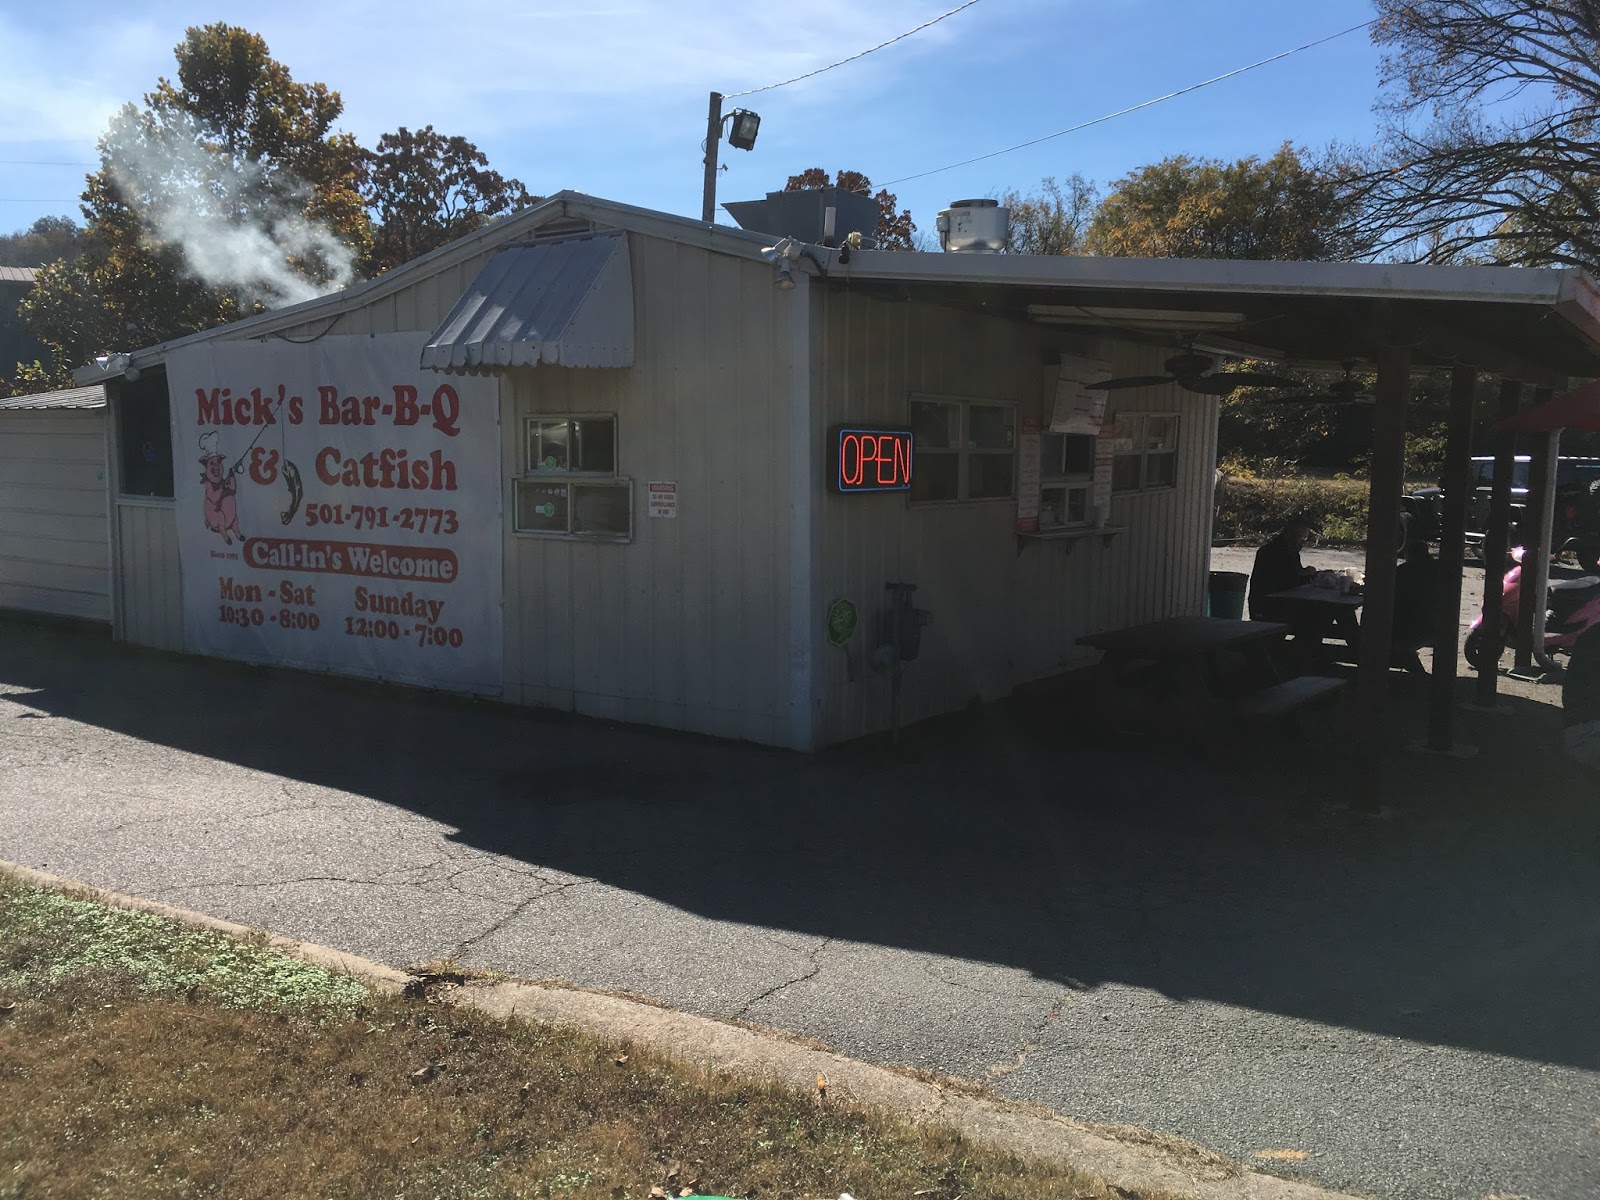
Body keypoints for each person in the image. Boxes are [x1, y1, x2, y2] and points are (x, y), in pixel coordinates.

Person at [1248, 517, 1316, 622]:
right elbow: (1288, 583)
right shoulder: (1272, 553)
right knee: (1318, 615)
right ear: (1288, 535)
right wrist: (1308, 575)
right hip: (1269, 607)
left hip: (1278, 603)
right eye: (1300, 538)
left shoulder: (1291, 551)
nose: (1302, 543)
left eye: (1305, 540)